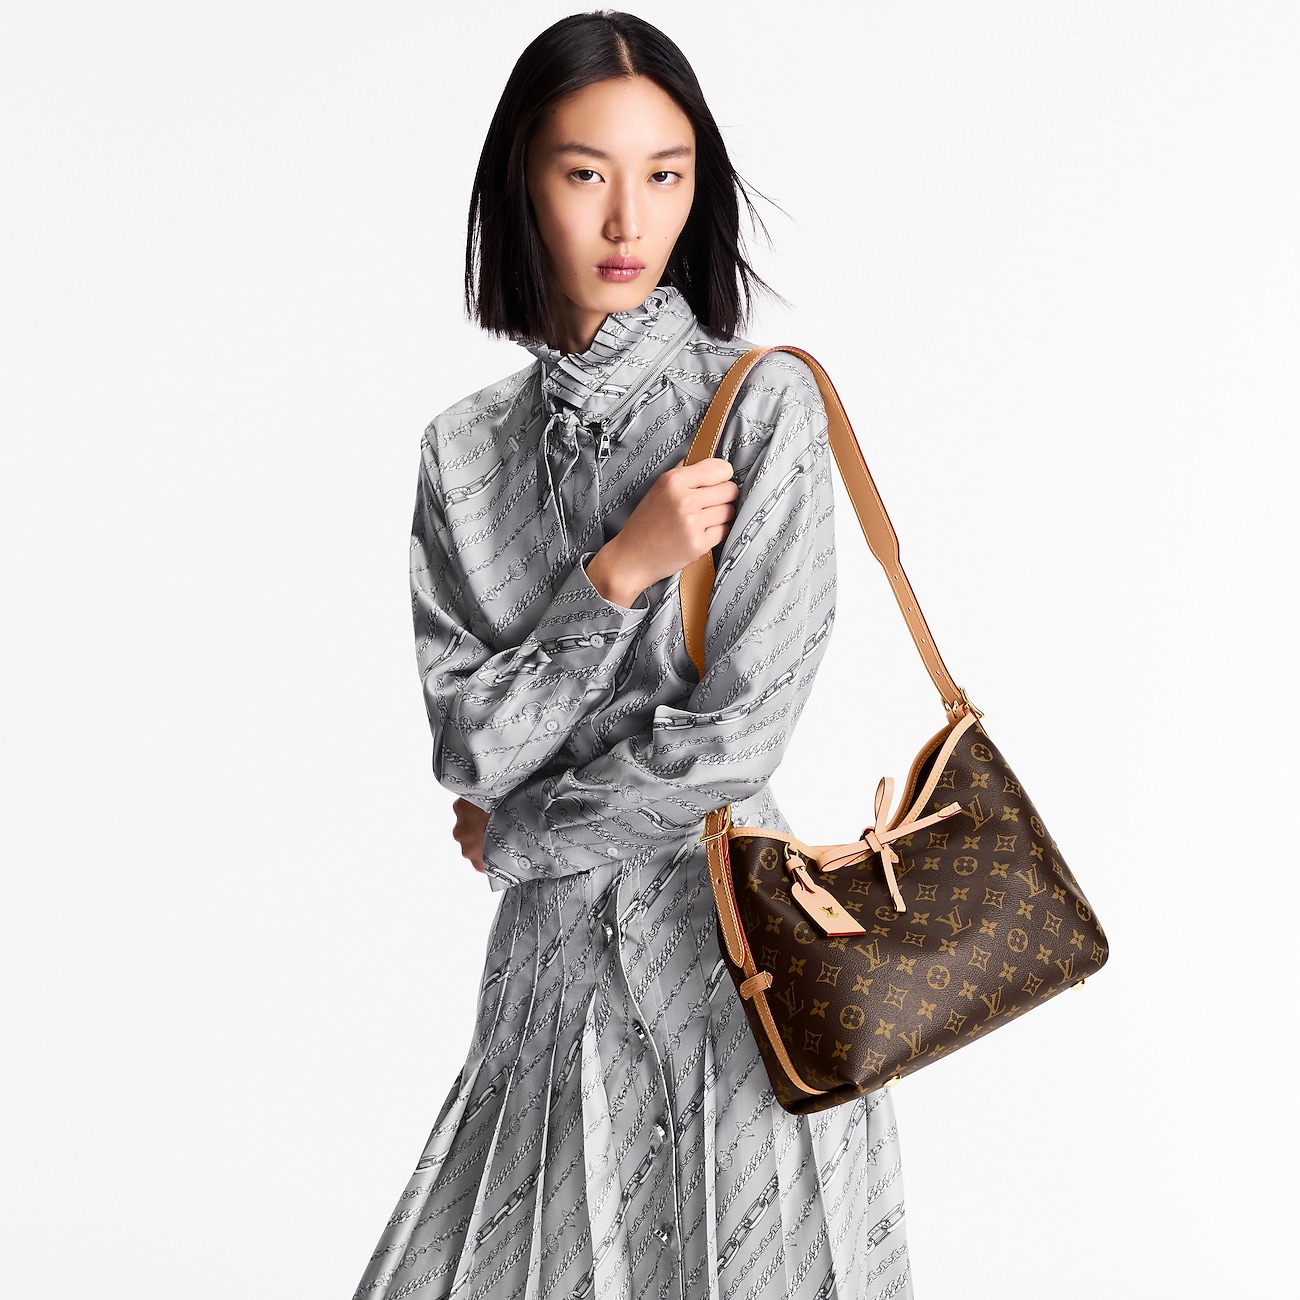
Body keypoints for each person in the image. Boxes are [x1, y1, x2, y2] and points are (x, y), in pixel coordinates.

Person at [353, 12, 912, 1300]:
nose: (626, 220)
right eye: (584, 172)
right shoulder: (463, 453)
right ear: (521, 181)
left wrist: (523, 833)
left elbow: (734, 741)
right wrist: (616, 577)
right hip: (549, 988)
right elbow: (470, 745)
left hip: (739, 972)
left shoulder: (761, 406)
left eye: (665, 175)